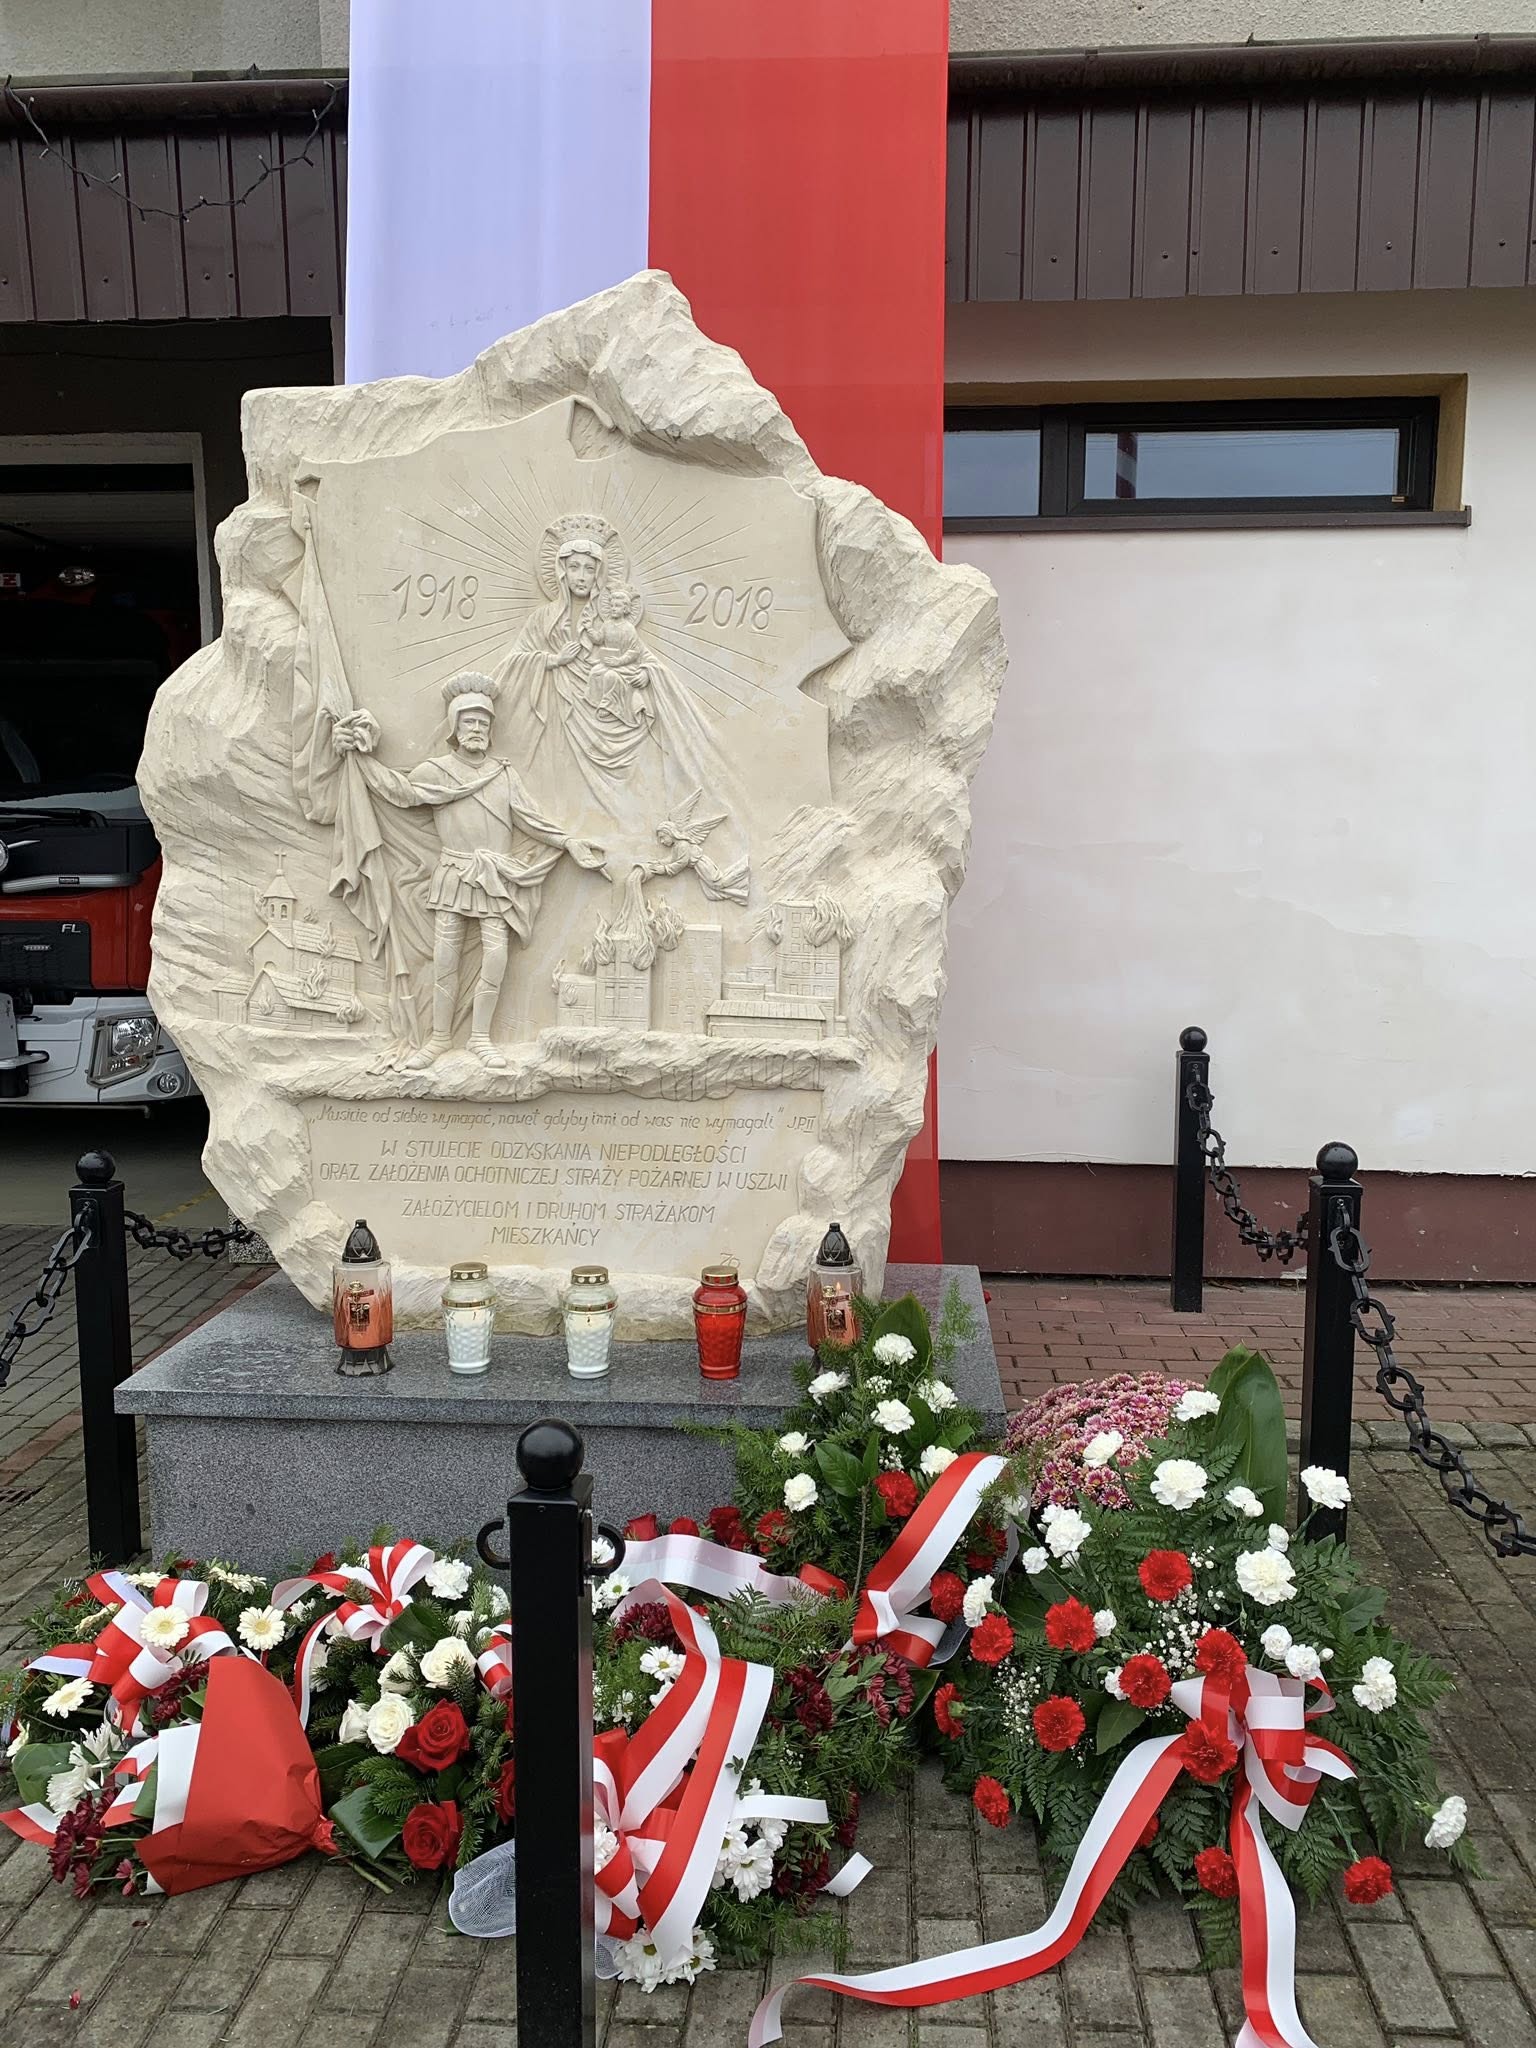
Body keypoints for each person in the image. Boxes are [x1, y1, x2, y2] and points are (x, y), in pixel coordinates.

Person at [330, 672, 603, 1069]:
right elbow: (399, 791)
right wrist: (359, 757)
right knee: (445, 958)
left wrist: (569, 842)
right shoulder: (436, 772)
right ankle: (439, 1038)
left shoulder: (503, 774)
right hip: (455, 874)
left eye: (483, 723)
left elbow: (530, 819)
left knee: (496, 957)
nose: (476, 729)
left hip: (494, 878)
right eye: (469, 722)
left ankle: (479, 1038)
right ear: (455, 728)